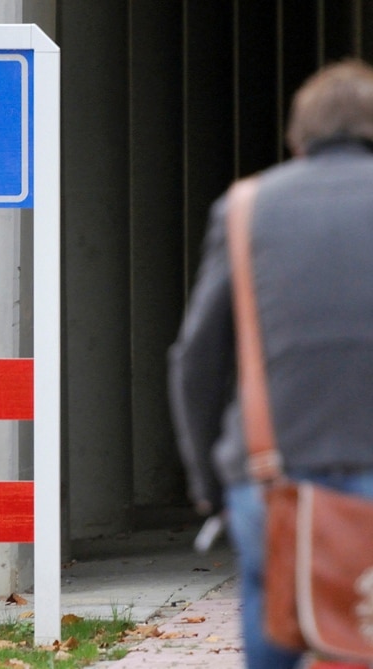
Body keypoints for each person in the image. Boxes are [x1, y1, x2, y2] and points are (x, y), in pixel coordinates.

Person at [168, 59, 373, 669]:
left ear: (296, 139)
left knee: (277, 627)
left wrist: (209, 483)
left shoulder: (246, 208)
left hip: (273, 480)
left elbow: (196, 358)